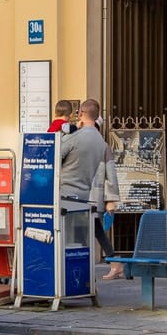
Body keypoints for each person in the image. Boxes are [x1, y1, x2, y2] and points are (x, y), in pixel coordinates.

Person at [59, 100, 117, 281]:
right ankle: (112, 264)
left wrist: (111, 199)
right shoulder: (101, 143)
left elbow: (56, 155)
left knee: (76, 235)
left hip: (71, 194)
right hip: (87, 194)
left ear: (81, 113)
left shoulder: (75, 137)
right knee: (89, 233)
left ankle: (73, 275)